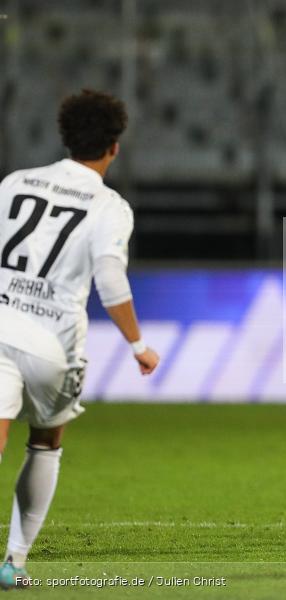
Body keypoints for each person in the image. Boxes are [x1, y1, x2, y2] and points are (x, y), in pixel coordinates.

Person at [0, 89, 159, 588]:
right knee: (45, 443)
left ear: (65, 136)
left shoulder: (14, 183)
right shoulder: (109, 205)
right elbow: (110, 282)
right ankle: (14, 564)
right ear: (115, 147)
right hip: (53, 343)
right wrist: (137, 345)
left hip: (2, 323)